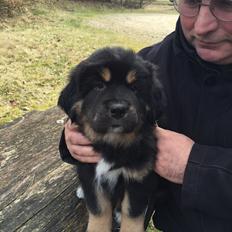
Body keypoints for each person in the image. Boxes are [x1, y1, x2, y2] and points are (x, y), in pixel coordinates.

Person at [59, 0, 232, 231]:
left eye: (227, 5)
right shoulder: (150, 63)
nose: (201, 27)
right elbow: (80, 99)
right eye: (191, 2)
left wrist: (197, 168)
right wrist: (73, 139)